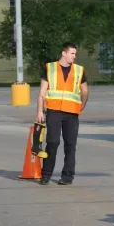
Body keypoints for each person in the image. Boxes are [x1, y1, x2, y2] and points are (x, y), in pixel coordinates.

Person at [36, 42, 89, 185]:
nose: (74, 56)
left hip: (72, 113)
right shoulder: (50, 68)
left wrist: (82, 105)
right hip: (54, 111)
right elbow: (42, 93)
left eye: (75, 54)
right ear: (64, 53)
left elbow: (85, 90)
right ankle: (45, 175)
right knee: (52, 142)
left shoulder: (79, 70)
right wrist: (40, 111)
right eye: (72, 53)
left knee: (70, 145)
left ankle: (67, 176)